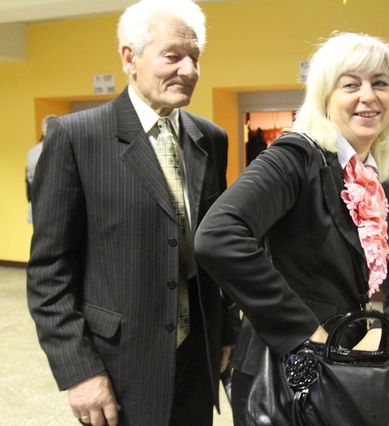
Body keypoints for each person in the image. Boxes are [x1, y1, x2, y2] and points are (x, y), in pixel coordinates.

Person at [194, 32, 389, 426]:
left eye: (380, 83)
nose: (368, 96)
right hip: (282, 372)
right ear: (325, 96)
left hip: (347, 368)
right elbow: (218, 235)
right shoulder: (296, 156)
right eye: (350, 85)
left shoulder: (377, 180)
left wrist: (382, 336)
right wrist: (308, 332)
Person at [26, 1, 236, 425]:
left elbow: (218, 250)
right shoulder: (77, 137)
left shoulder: (210, 138)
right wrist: (80, 371)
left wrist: (226, 331)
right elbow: (50, 272)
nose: (189, 70)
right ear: (130, 58)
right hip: (119, 365)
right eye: (173, 56)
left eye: (195, 57)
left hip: (198, 359)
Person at [26, 113, 56, 224]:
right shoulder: (62, 148)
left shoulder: (33, 151)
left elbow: (29, 180)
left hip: (38, 204)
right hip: (55, 204)